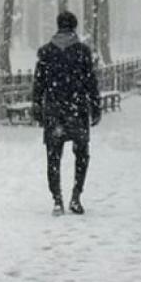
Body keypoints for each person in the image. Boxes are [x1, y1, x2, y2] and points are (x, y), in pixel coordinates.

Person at [33, 11, 100, 216]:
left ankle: (57, 199)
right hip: (77, 110)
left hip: (54, 111)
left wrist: (37, 106)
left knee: (53, 156)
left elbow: (38, 84)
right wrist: (95, 107)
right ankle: (76, 196)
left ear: (58, 26)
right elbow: (91, 82)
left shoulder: (45, 52)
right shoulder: (82, 52)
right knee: (81, 154)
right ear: (74, 27)